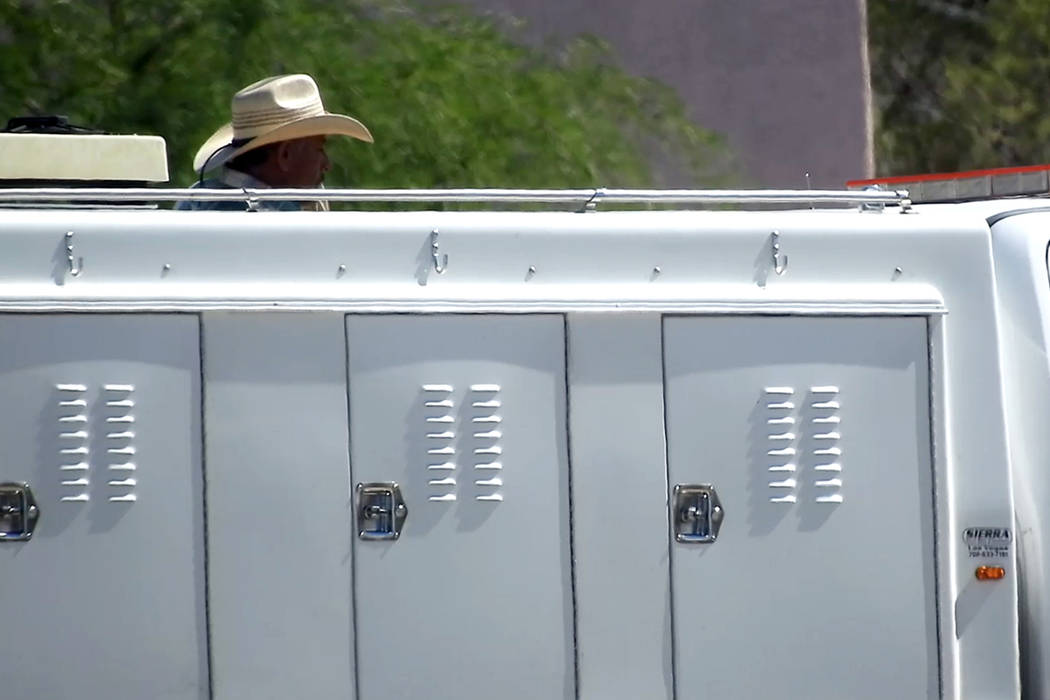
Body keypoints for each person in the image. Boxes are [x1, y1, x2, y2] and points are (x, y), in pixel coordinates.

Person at [176, 74, 372, 211]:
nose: (327, 164)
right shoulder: (284, 222)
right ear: (285, 155)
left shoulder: (194, 201)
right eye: (320, 148)